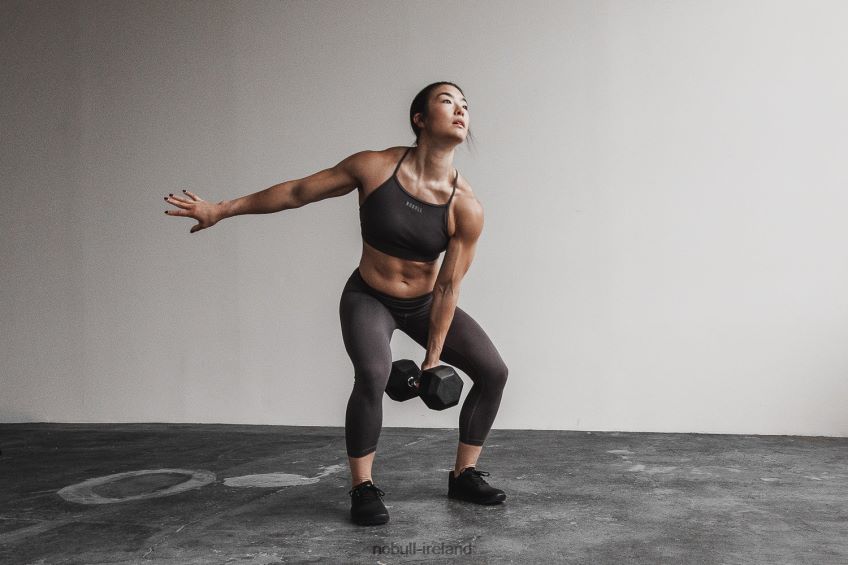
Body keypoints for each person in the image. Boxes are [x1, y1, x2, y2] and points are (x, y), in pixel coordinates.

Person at [163, 81, 509, 526]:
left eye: (465, 105)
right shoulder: (374, 168)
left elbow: (447, 288)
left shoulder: (467, 207)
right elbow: (298, 192)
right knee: (373, 374)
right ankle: (362, 485)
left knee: (494, 372)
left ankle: (464, 475)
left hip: (425, 304)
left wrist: (432, 361)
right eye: (448, 101)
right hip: (370, 297)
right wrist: (221, 209)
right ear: (420, 119)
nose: (460, 110)